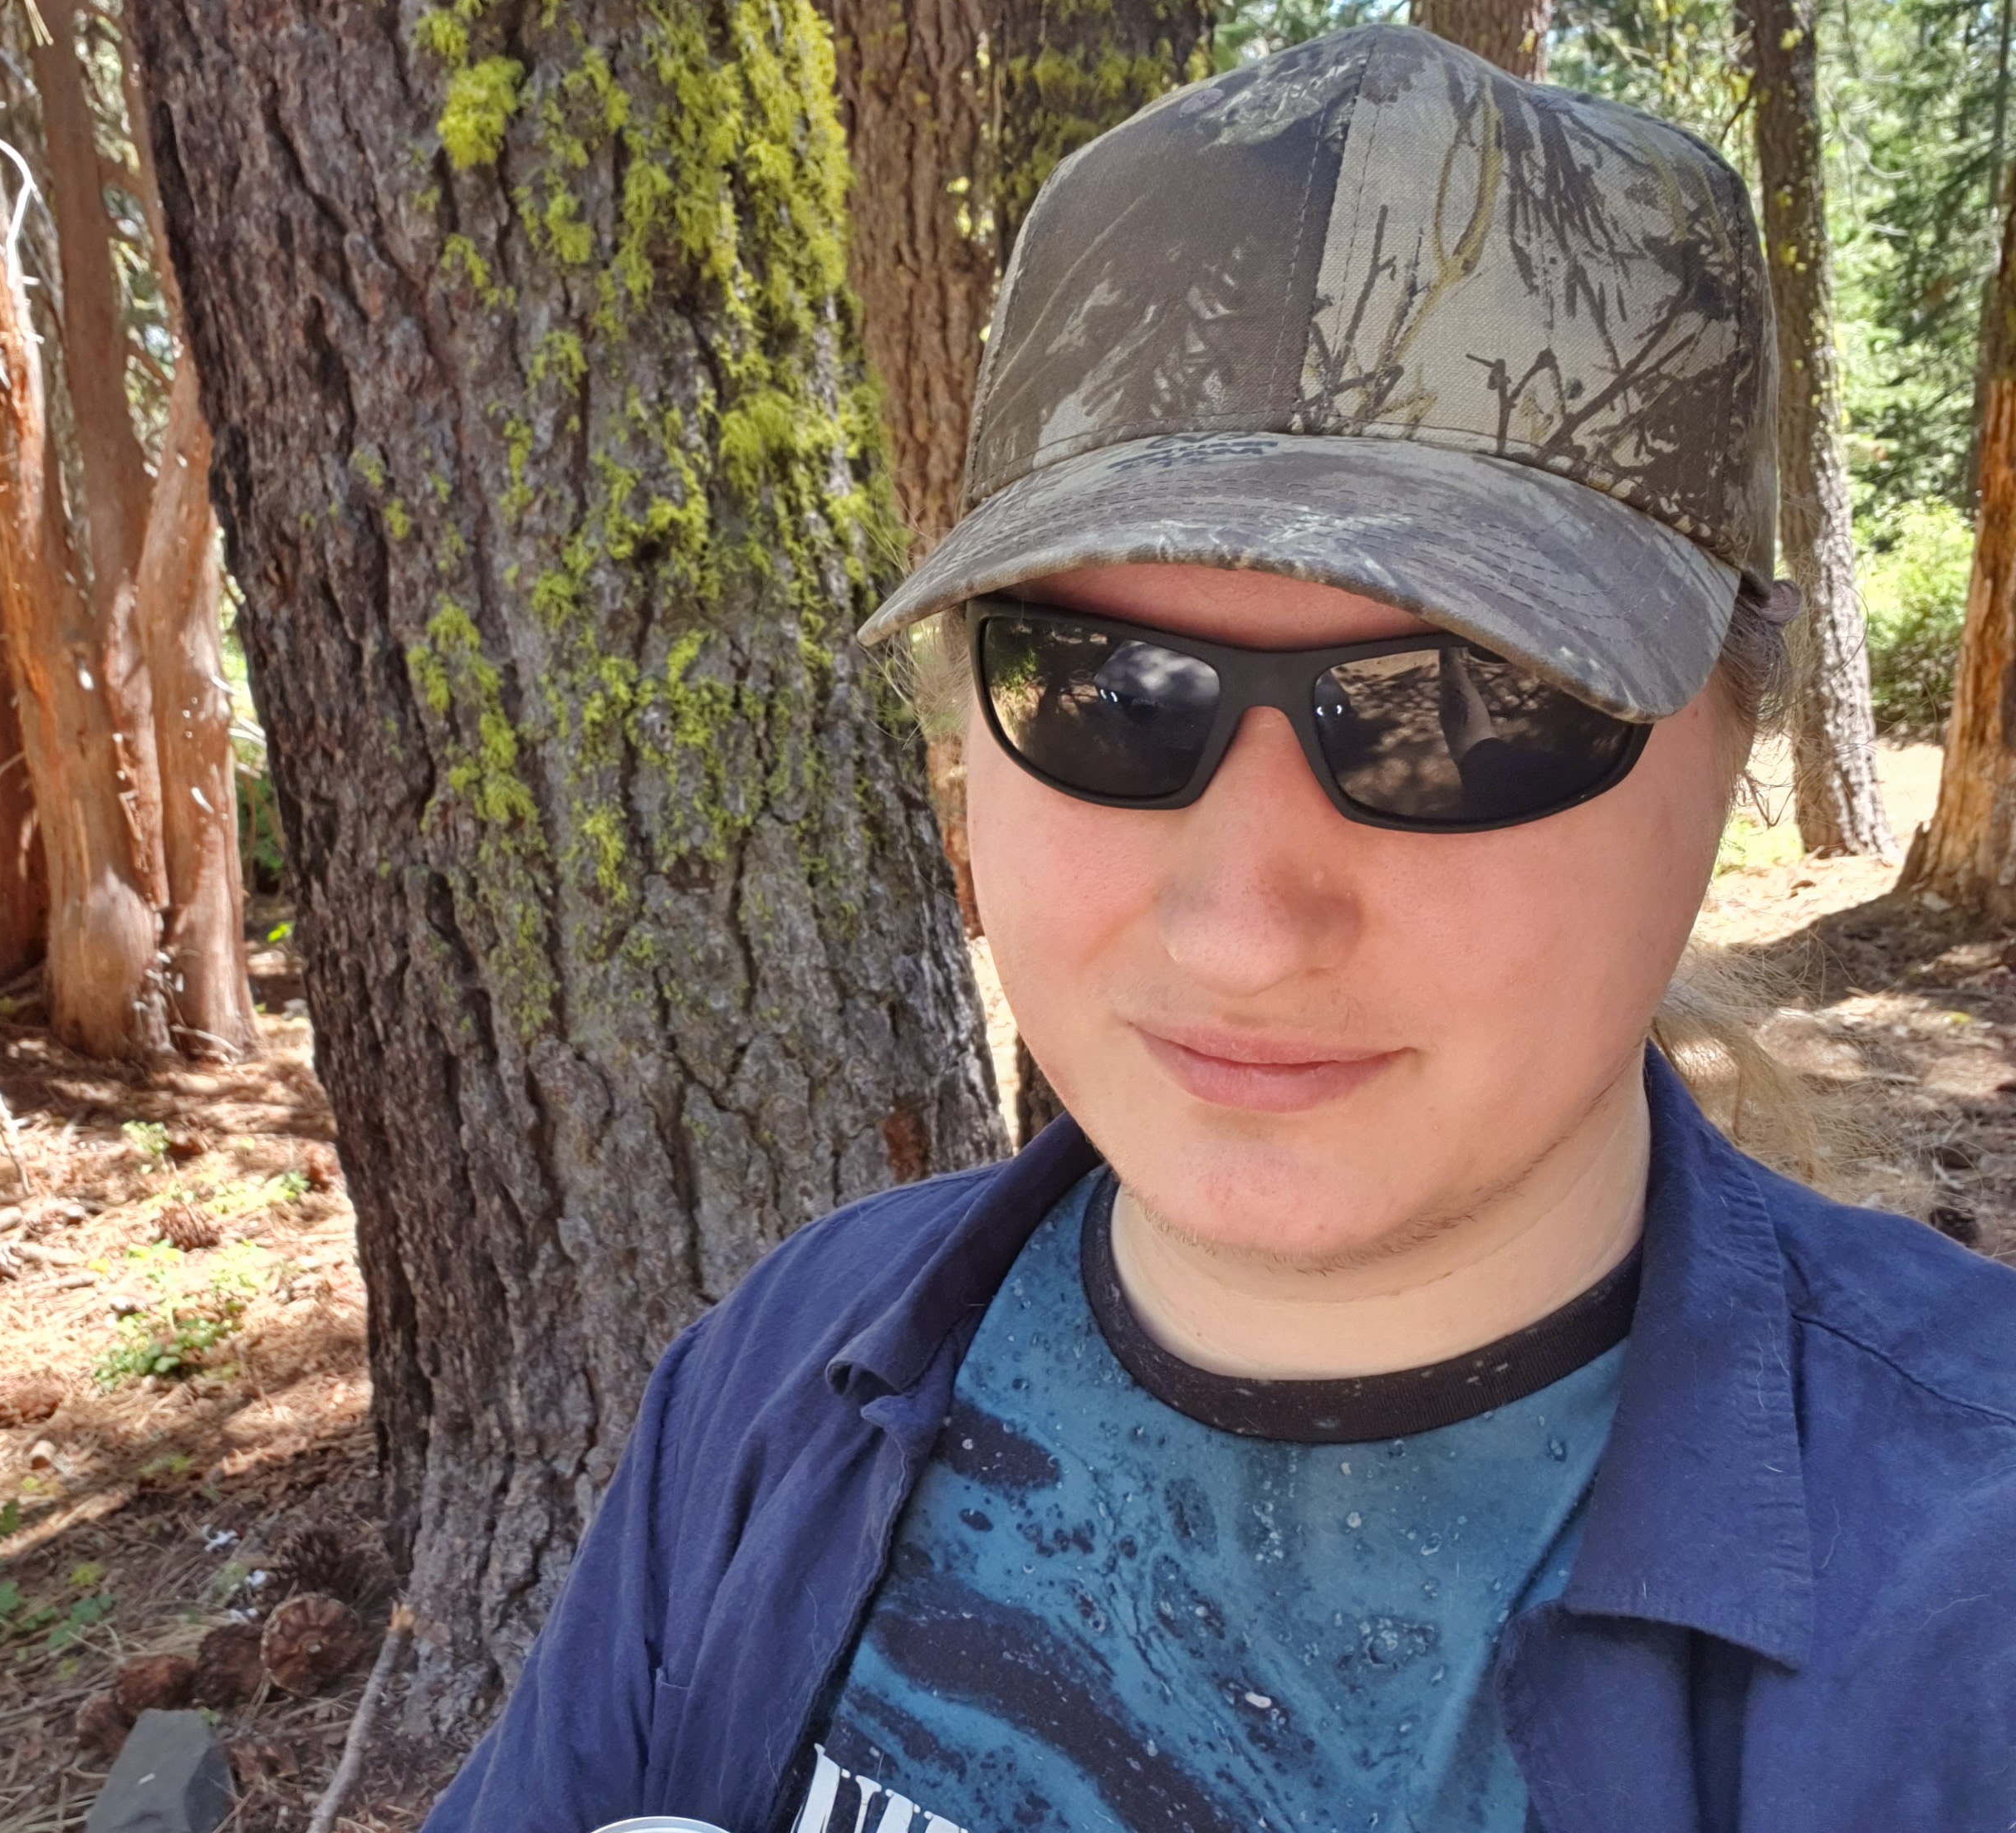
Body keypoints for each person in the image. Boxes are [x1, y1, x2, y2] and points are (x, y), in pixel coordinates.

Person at [423, 25, 2016, 1833]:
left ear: (1730, 750)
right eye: (1107, 693)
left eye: (1459, 714)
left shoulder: (1971, 1600)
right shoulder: (781, 1369)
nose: (1246, 929)